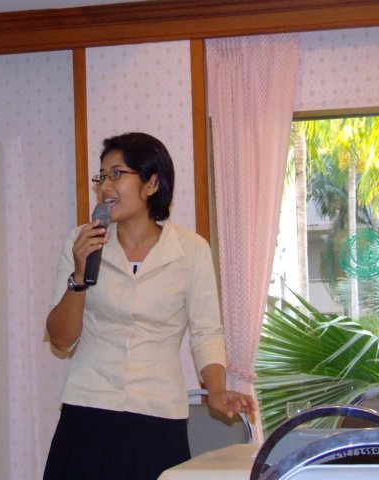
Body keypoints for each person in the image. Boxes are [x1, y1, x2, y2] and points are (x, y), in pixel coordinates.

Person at [44, 132, 255, 480]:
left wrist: (216, 390)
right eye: (101, 177)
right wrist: (79, 275)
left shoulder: (190, 250)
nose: (105, 187)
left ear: (152, 183)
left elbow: (206, 332)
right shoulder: (81, 242)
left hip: (158, 417)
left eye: (116, 174)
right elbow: (61, 340)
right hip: (87, 411)